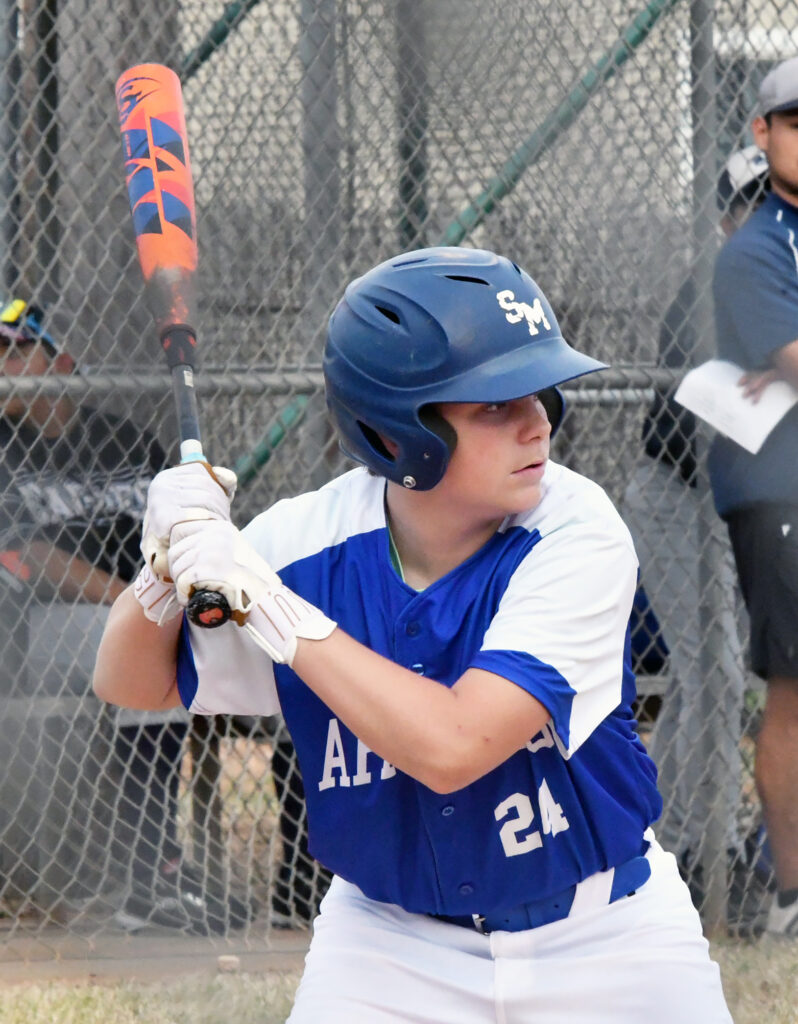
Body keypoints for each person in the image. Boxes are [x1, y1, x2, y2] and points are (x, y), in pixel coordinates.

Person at [94, 247, 732, 1022]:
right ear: (397, 434)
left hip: (605, 938)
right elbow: (132, 683)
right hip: (388, 948)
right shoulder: (308, 542)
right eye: (496, 405)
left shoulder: (576, 531)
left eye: (542, 394)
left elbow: (454, 745)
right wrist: (164, 565)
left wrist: (269, 603)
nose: (540, 424)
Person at [0, 297, 252, 935]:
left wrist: (151, 603)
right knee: (151, 648)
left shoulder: (127, 439)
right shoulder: (2, 446)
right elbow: (30, 554)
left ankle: (158, 871)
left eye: (14, 350)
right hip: (40, 626)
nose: (1, 365)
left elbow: (176, 529)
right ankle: (152, 872)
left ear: (61, 362)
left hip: (136, 609)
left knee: (193, 644)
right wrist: (132, 606)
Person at [621, 145, 772, 935]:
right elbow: (686, 426)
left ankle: (664, 841)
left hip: (724, 510)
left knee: (700, 679)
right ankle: (692, 856)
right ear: (727, 217)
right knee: (713, 676)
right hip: (677, 498)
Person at [708, 56, 798, 940]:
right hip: (781, 494)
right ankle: (790, 897)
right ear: (763, 135)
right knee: (792, 689)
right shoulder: (756, 250)